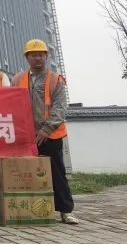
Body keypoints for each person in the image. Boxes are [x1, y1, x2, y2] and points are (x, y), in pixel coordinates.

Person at [15, 39, 78, 225]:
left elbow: (60, 107)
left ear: (46, 56)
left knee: (57, 174)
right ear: (27, 58)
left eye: (41, 55)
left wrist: (47, 128)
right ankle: (33, 211)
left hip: (50, 135)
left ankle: (66, 211)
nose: (38, 58)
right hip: (26, 136)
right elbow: (11, 103)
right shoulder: (17, 79)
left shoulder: (55, 79)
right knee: (28, 174)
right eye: (34, 55)